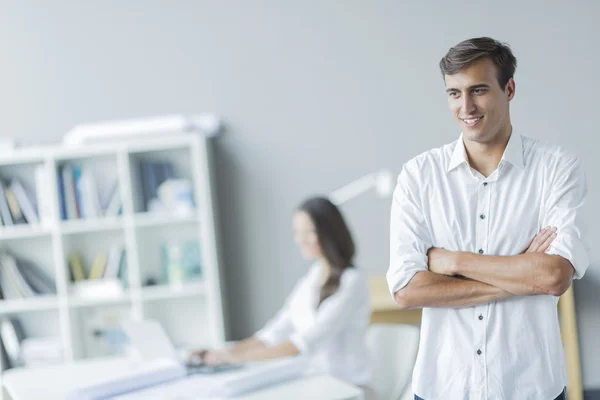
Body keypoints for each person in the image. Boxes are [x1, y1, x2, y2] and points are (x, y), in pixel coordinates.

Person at [387, 37, 590, 400]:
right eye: (454, 93)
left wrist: (452, 261)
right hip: (443, 386)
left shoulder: (556, 169)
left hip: (530, 387)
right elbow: (407, 290)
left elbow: (554, 275)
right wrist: (521, 273)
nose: (466, 107)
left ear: (508, 88)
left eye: (478, 90)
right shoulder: (419, 176)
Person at [191, 196, 376, 398]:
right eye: (298, 233)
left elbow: (303, 343)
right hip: (318, 385)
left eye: (309, 232)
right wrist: (226, 352)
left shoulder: (352, 281)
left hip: (349, 389)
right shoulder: (312, 278)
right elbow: (273, 333)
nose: (301, 240)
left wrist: (235, 359)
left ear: (329, 232)